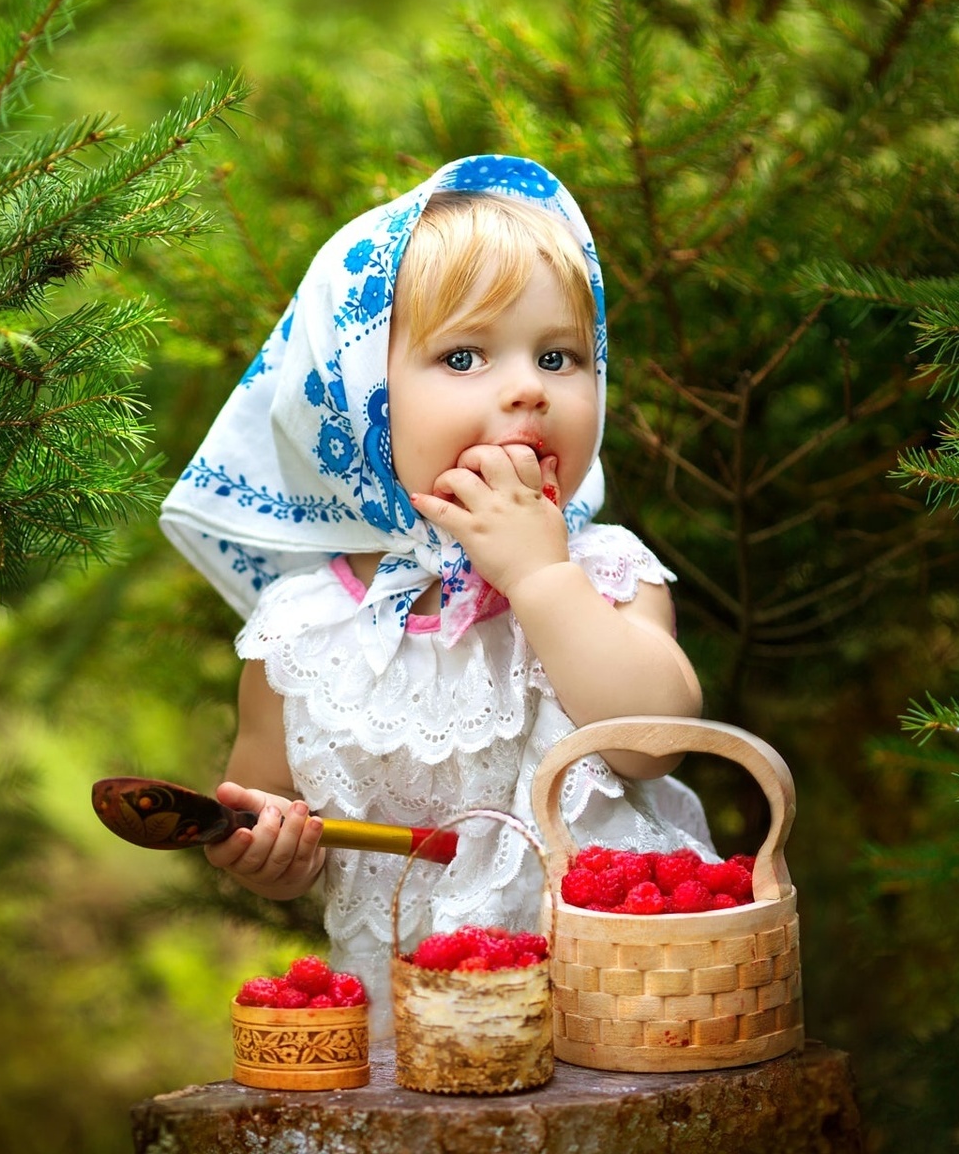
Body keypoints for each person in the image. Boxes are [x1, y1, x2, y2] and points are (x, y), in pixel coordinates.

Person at [158, 155, 715, 1017]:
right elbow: (267, 808)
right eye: (464, 355)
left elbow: (656, 740)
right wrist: (270, 854)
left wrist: (538, 574)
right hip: (417, 1027)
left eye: (561, 356)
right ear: (363, 401)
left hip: (619, 1016)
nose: (530, 387)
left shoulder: (602, 572)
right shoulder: (302, 636)